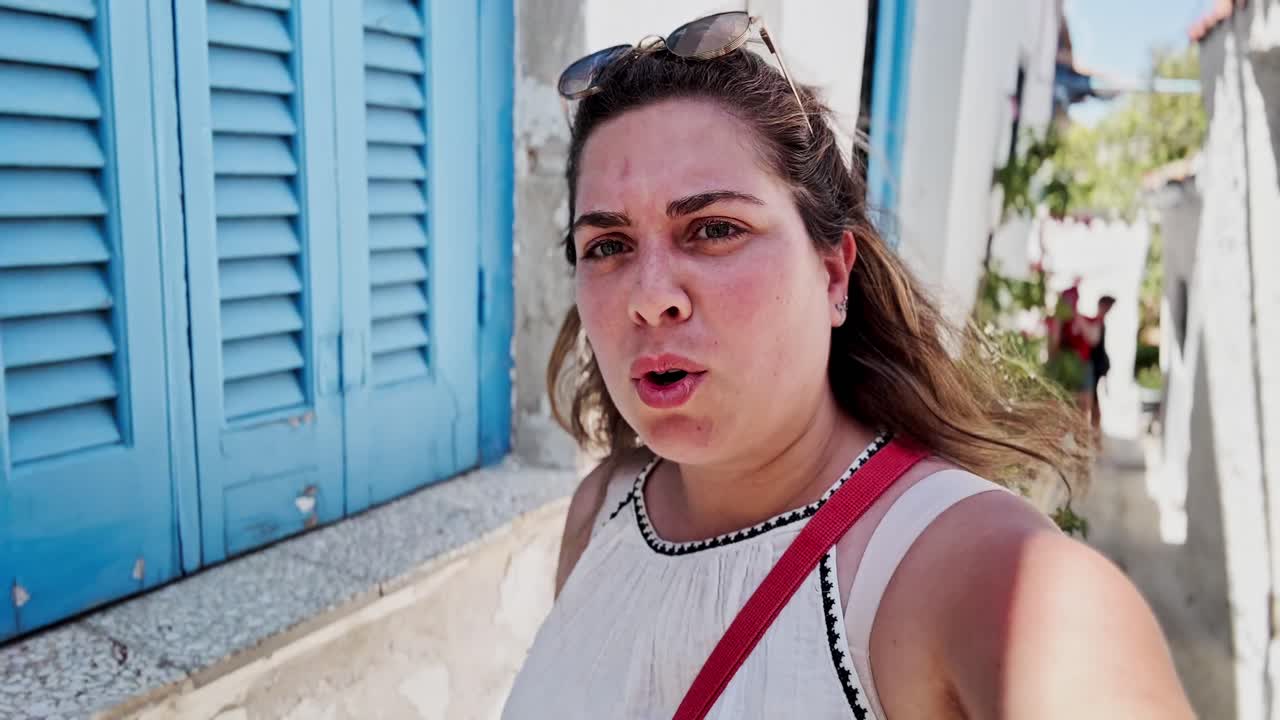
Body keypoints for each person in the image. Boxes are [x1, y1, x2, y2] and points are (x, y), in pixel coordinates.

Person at [505, 12, 1194, 719]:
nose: (650, 298)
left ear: (833, 275)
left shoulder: (988, 582)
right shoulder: (601, 513)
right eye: (608, 245)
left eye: (714, 230)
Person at [1089, 295, 1116, 444]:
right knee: (1093, 401)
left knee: (1094, 400)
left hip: (1098, 367)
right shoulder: (1096, 322)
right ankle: (1095, 433)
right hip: (1094, 366)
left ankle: (1096, 433)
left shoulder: (1100, 322)